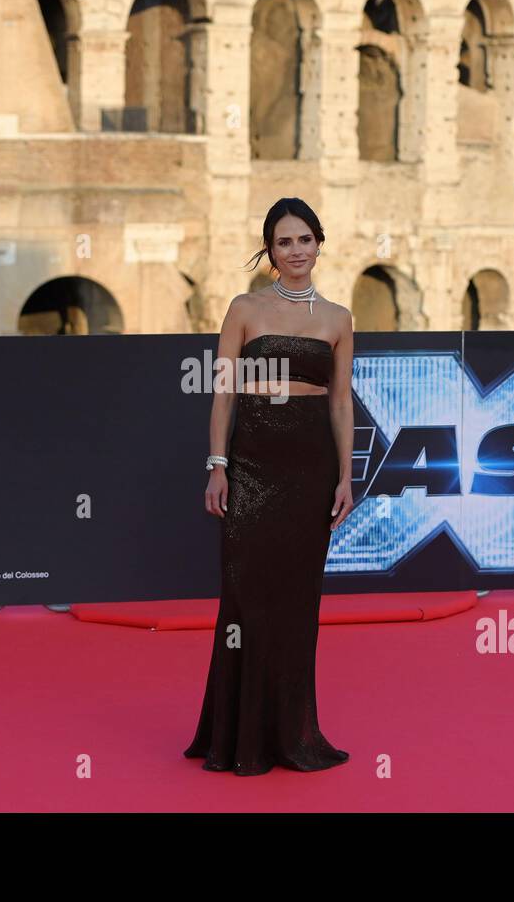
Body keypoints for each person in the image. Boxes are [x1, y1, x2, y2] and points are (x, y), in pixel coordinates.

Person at [183, 197, 354, 775]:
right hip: (253, 461)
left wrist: (346, 476)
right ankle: (238, 738)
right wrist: (217, 464)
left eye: (305, 239)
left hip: (311, 467)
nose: (296, 251)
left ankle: (291, 732)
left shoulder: (338, 318)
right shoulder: (244, 308)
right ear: (270, 250)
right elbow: (223, 390)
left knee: (297, 603)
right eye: (285, 242)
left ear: (318, 243)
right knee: (245, 600)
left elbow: (340, 401)